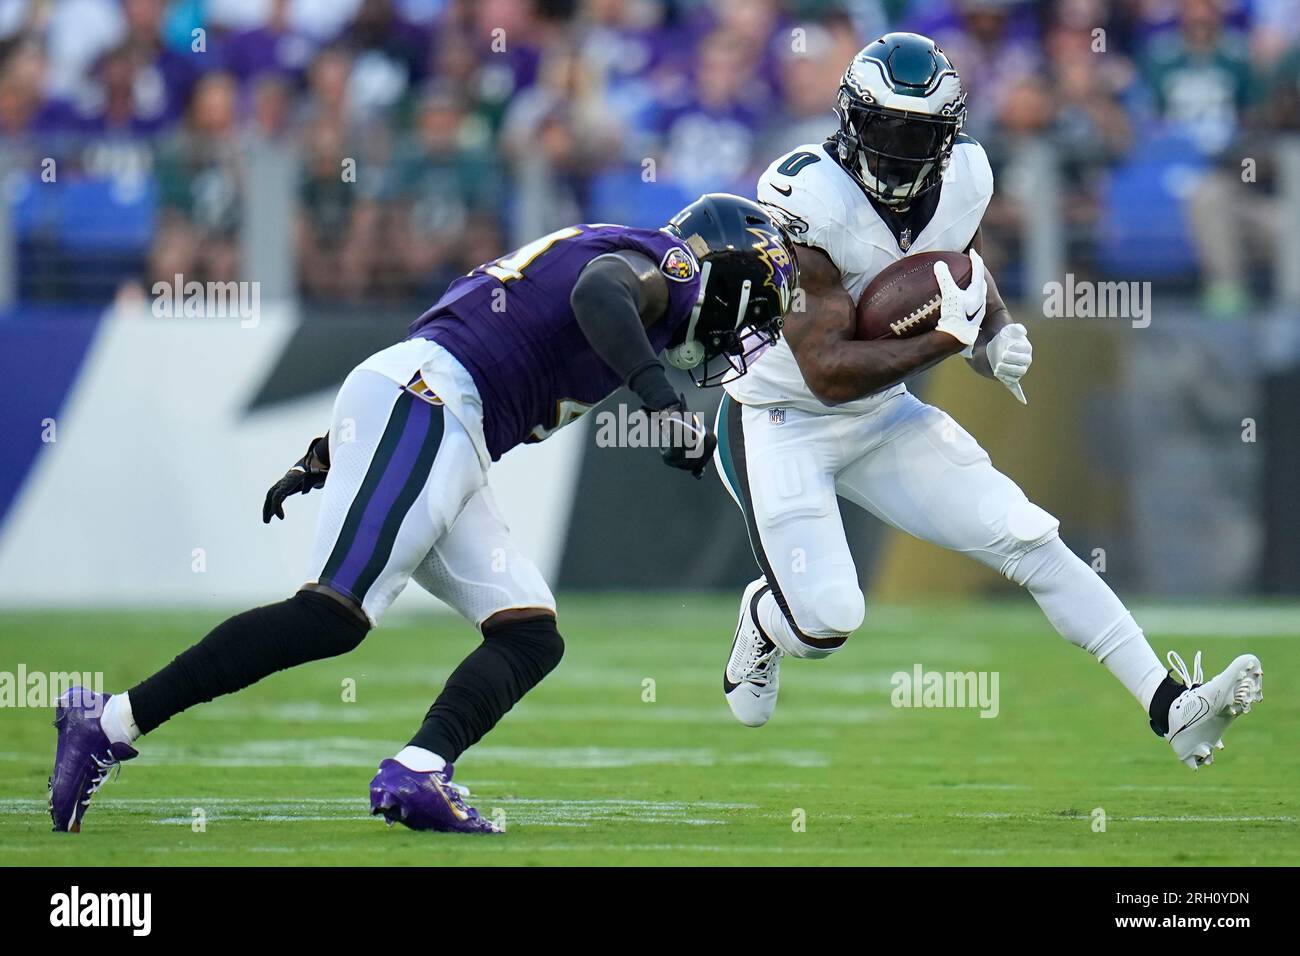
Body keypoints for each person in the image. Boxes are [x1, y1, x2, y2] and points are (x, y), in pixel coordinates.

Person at [49, 194, 798, 834]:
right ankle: (108, 722)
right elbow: (597, 296)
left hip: (440, 416)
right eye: (754, 310)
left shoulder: (638, 262)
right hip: (434, 403)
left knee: (529, 632)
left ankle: (418, 769)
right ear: (725, 270)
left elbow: (480, 325)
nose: (744, 334)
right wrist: (663, 405)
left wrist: (326, 452)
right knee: (331, 616)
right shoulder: (663, 263)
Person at [717, 33, 1262, 769]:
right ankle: (765, 614)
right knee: (826, 623)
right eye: (886, 130)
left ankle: (1173, 708)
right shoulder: (808, 197)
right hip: (781, 417)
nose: (901, 151)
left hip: (880, 417)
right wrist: (951, 341)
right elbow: (826, 372)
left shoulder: (966, 173)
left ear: (950, 137)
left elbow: (959, 268)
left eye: (921, 135)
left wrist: (995, 331)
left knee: (1029, 536)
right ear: (850, 122)